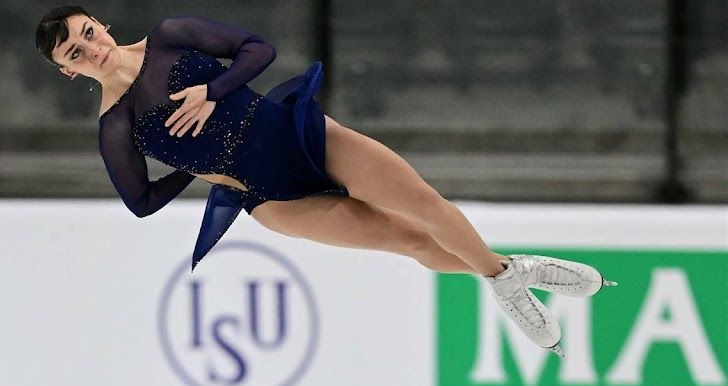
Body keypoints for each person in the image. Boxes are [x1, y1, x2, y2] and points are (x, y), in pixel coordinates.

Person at [34, 7, 616, 356]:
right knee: (407, 242)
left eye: (88, 31)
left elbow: (258, 49)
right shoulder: (116, 126)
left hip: (301, 133)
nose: (91, 48)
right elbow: (139, 201)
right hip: (272, 198)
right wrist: (194, 162)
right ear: (67, 70)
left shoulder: (168, 36)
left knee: (427, 209)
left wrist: (214, 91)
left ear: (101, 22)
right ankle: (511, 276)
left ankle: (506, 277)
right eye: (75, 51)